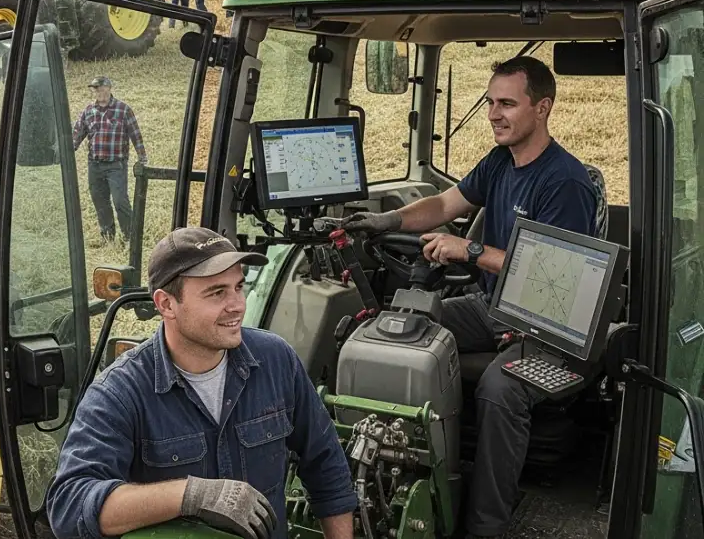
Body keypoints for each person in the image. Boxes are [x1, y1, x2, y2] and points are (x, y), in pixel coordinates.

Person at [342, 56, 599, 539]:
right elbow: (443, 204)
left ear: (542, 108)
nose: (494, 114)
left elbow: (555, 276)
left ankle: (487, 526)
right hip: (493, 307)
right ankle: (391, 479)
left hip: (548, 324)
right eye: (490, 102)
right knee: (401, 332)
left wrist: (471, 249)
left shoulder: (564, 182)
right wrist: (387, 221)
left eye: (507, 103)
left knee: (500, 391)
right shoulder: (501, 161)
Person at [46, 226, 357, 539]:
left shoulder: (276, 361)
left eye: (238, 286)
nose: (237, 305)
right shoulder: (121, 393)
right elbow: (70, 507)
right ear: (166, 304)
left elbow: (326, 464)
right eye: (217, 293)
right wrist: (192, 496)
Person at [72, 76, 148, 245]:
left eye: (101, 88)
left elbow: (136, 134)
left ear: (109, 88)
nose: (99, 92)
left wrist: (142, 157)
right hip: (95, 165)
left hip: (116, 165)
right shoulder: (88, 111)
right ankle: (108, 238)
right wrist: (67, 151)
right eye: (95, 89)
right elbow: (77, 135)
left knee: (120, 200)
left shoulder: (123, 110)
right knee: (100, 201)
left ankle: (131, 238)